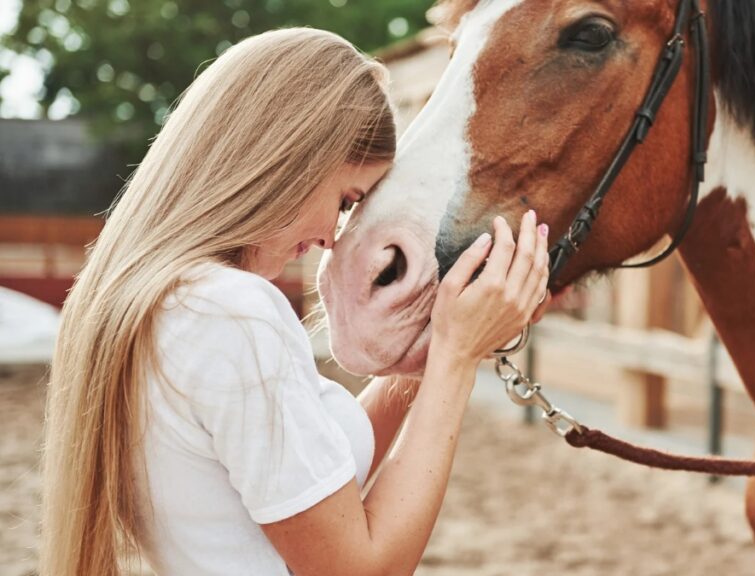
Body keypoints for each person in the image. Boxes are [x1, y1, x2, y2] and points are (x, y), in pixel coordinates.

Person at [40, 28, 550, 576]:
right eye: (345, 200)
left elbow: (312, 480)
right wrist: (455, 359)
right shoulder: (232, 313)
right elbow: (358, 568)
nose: (333, 236)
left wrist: (429, 343)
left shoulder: (167, 303)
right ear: (287, 163)